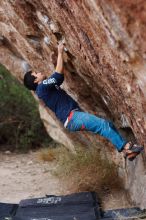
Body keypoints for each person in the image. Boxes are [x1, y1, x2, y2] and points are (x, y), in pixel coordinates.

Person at [23, 42, 144, 161]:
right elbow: (58, 75)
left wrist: (57, 60)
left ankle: (127, 153)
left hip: (72, 118)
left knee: (108, 125)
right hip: (72, 118)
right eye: (36, 73)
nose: (39, 72)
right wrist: (60, 52)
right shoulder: (42, 87)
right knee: (102, 125)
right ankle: (126, 148)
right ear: (35, 80)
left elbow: (58, 80)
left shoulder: (43, 89)